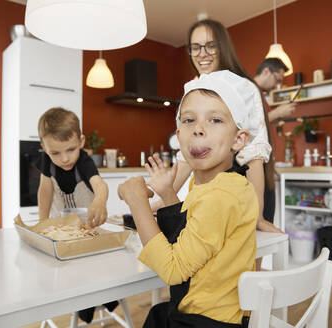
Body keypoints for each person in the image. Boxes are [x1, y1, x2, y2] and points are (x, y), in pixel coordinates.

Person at [118, 70, 258, 327]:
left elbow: (173, 270)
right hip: (216, 313)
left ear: (239, 139)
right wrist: (168, 194)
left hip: (208, 321)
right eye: (189, 120)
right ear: (178, 134)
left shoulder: (221, 195)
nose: (199, 130)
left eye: (215, 120)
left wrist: (137, 203)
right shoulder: (220, 184)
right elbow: (191, 232)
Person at [152, 19, 281, 235]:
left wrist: (257, 214)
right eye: (196, 47)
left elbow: (254, 154)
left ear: (223, 47)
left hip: (248, 190)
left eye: (210, 45)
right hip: (211, 193)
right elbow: (186, 158)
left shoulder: (243, 88)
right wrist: (162, 199)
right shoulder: (194, 90)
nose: (203, 53)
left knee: (247, 266)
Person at [36, 106, 117, 322]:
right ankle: (86, 299)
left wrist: (100, 201)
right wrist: (42, 222)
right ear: (44, 148)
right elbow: (45, 190)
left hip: (89, 227)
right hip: (62, 229)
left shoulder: (84, 161)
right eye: (55, 153)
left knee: (93, 265)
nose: (64, 159)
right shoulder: (46, 160)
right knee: (67, 269)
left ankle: (102, 298)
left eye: (70, 149)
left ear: (81, 142)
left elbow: (100, 186)